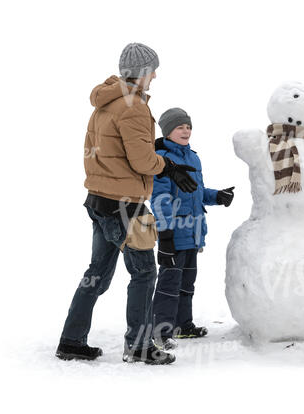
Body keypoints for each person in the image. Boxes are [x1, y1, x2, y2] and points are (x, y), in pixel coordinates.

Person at [56, 43, 198, 365]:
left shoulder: (104, 103)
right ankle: (139, 345)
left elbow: (109, 151)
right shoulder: (133, 106)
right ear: (144, 72)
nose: (156, 76)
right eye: (153, 71)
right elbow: (142, 160)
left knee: (98, 273)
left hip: (99, 199)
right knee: (145, 272)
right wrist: (170, 167)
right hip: (124, 204)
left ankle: (71, 340)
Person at [151, 108, 235, 350]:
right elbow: (159, 198)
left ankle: (182, 325)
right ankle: (160, 330)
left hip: (194, 232)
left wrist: (217, 196)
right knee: (169, 284)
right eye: (180, 127)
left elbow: (196, 192)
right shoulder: (161, 159)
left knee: (187, 282)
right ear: (167, 132)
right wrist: (165, 234)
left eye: (188, 127)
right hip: (174, 232)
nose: (186, 130)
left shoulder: (193, 157)